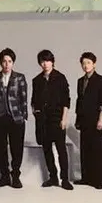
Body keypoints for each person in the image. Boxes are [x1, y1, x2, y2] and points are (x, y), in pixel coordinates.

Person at [0, 48, 28, 188]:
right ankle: (4, 176)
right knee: (0, 148)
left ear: (13, 62)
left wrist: (23, 115)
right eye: (4, 61)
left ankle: (15, 176)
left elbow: (23, 98)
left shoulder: (19, 77)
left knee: (17, 148)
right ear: (0, 62)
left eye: (9, 61)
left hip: (15, 117)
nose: (7, 64)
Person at [31, 49, 73, 190]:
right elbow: (33, 100)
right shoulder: (37, 80)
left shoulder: (60, 78)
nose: (45, 64)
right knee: (47, 149)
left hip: (57, 118)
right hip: (43, 119)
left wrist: (64, 119)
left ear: (52, 62)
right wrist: (35, 112)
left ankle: (65, 179)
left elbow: (66, 100)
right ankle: (53, 177)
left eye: (48, 61)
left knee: (61, 149)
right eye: (42, 61)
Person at [75, 51, 102, 190]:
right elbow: (79, 101)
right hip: (84, 119)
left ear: (94, 64)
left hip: (96, 118)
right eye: (83, 63)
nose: (86, 65)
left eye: (88, 63)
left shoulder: (101, 80)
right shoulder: (80, 81)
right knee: (85, 148)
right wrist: (77, 119)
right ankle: (86, 178)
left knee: (97, 149)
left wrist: (101, 119)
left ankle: (99, 180)